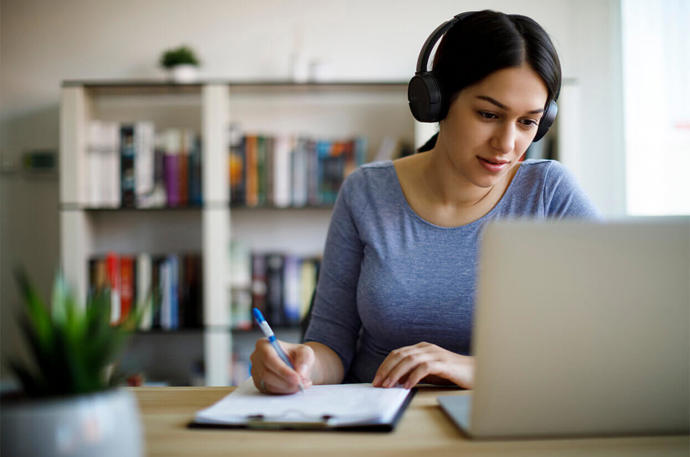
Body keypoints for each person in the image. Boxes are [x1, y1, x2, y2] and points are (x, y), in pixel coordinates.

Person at [250, 10, 600, 394]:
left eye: (527, 122)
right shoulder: (365, 192)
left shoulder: (548, 194)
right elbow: (331, 345)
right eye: (488, 114)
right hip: (379, 425)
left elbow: (610, 337)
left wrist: (473, 369)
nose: (507, 144)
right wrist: (298, 363)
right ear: (436, 101)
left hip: (505, 426)